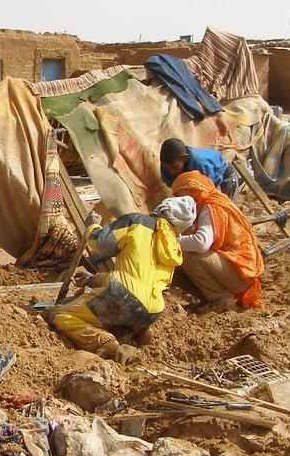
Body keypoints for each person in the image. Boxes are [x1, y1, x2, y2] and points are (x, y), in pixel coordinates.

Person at [48, 197, 196, 363]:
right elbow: (137, 278)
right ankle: (134, 330)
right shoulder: (171, 244)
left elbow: (101, 243)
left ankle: (104, 341)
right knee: (120, 312)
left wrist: (92, 225)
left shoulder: (138, 222)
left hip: (121, 296)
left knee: (60, 315)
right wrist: (93, 279)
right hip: (152, 310)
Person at [171, 170, 264, 312]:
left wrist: (170, 241)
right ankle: (209, 297)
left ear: (191, 191)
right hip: (237, 271)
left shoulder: (211, 206)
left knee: (185, 253)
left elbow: (201, 242)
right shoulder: (209, 203)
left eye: (179, 195)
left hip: (242, 274)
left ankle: (220, 299)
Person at [160, 138, 240, 202]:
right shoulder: (168, 163)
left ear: (185, 158)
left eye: (174, 167)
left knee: (226, 208)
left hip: (223, 175)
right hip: (200, 178)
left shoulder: (201, 164)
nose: (170, 171)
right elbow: (173, 185)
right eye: (167, 167)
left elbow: (209, 189)